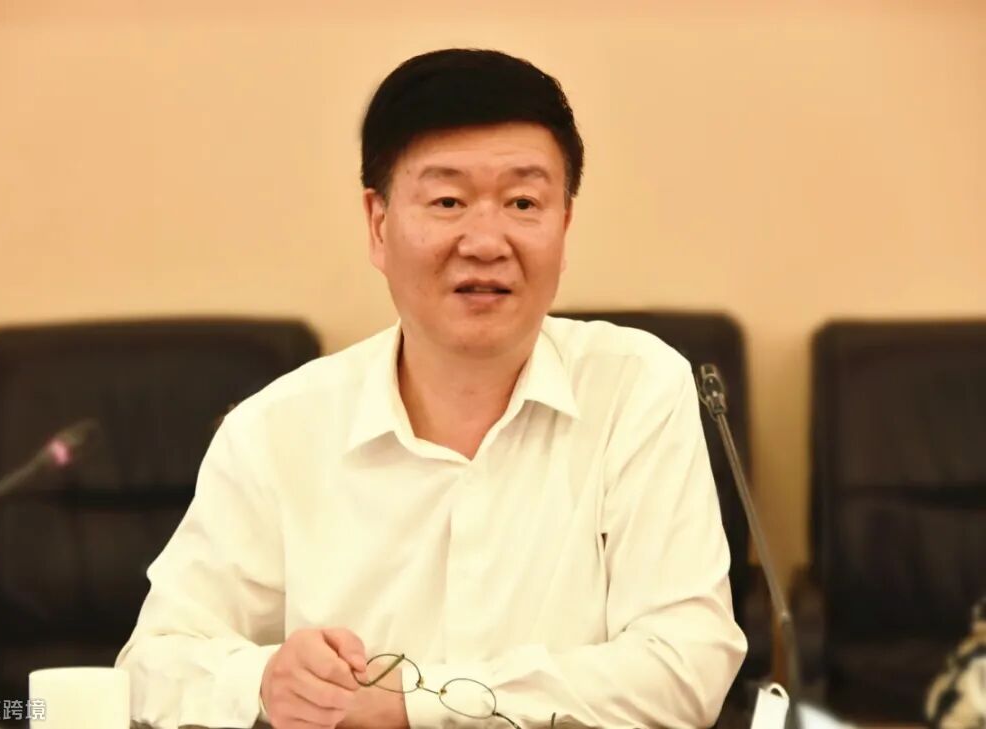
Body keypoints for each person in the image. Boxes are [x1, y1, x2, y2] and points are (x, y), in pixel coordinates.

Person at [116, 48, 747, 729]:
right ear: (378, 224)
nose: (486, 241)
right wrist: (264, 682)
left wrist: (412, 702)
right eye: (448, 201)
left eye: (523, 202)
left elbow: (685, 668)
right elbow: (152, 665)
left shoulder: (635, 389)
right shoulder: (277, 430)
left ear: (565, 226)